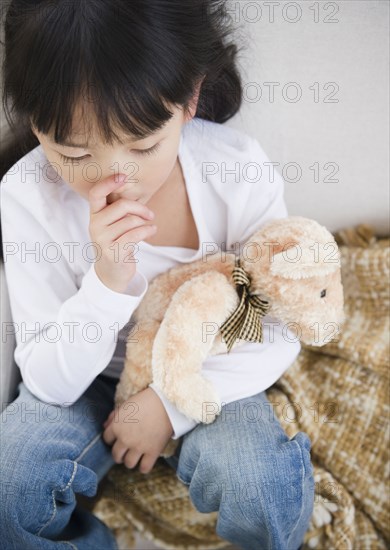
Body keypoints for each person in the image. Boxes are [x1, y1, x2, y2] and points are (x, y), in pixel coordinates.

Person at [0, 1, 315, 549]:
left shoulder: (236, 172)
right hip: (87, 384)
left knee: (257, 481)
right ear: (34, 123)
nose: (112, 177)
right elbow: (49, 381)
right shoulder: (29, 195)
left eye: (143, 146)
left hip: (210, 365)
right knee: (10, 486)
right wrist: (106, 279)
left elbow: (274, 321)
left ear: (190, 99)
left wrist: (171, 406)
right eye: (73, 153)